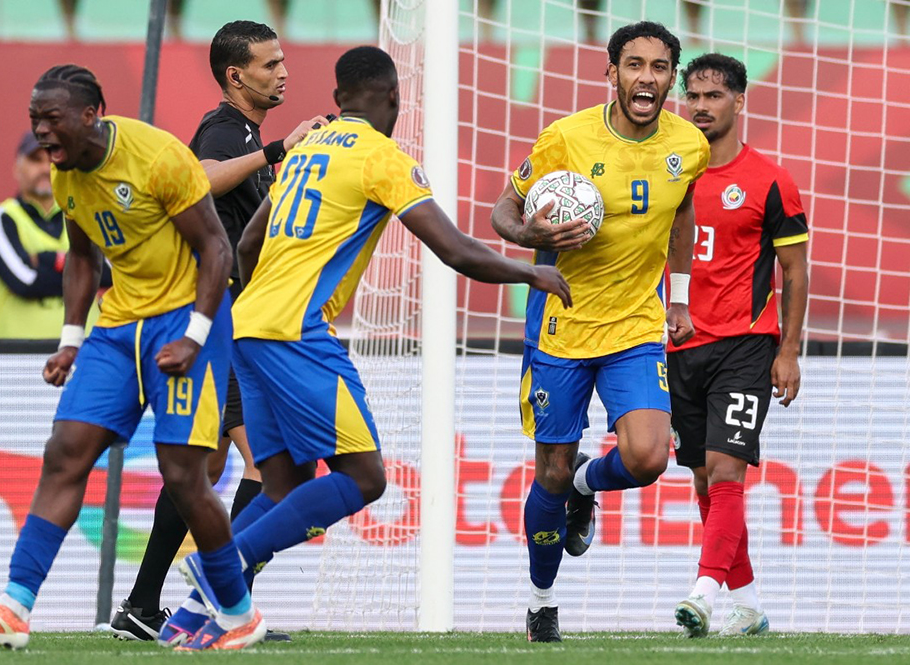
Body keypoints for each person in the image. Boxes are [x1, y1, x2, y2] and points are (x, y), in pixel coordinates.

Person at [174, 44, 570, 629]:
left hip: (249, 324)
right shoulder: (382, 157)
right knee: (365, 478)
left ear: (337, 99)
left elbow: (250, 242)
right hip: (295, 331)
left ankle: (193, 615)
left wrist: (263, 299)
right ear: (394, 97)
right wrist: (530, 269)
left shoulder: (308, 149)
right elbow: (454, 249)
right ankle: (223, 565)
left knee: (282, 483)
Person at [0, 64, 264, 651]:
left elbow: (217, 247)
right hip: (117, 326)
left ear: (92, 115)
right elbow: (82, 258)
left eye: (51, 118)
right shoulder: (66, 175)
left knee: (186, 475)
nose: (41, 131)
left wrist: (194, 334)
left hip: (187, 321)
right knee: (65, 453)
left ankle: (238, 613)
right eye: (35, 119)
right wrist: (69, 338)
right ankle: (14, 608)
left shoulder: (158, 157)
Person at [490, 21, 709, 641]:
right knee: (550, 475)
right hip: (560, 326)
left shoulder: (687, 145)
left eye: (660, 67)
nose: (647, 78)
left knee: (647, 458)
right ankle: (540, 602)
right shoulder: (565, 138)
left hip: (636, 324)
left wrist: (681, 298)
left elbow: (682, 215)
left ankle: (590, 483)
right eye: (634, 65)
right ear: (610, 72)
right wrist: (531, 237)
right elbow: (503, 210)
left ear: (672, 77)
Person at [111, 20, 326, 645]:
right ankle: (223, 606)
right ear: (236, 76)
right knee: (268, 466)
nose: (283, 72)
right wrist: (278, 151)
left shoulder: (248, 135)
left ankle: (142, 606)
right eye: (269, 64)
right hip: (217, 320)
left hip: (232, 321)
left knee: (201, 467)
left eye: (283, 60)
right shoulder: (226, 131)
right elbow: (199, 179)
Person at [670, 53, 809, 638]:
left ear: (739, 101)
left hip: (747, 345)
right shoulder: (670, 175)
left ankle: (702, 593)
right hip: (680, 348)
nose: (702, 106)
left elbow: (795, 273)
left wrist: (789, 350)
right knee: (704, 479)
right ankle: (747, 602)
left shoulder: (771, 180)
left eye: (714, 96)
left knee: (728, 469)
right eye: (694, 96)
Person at [0, 131, 109, 338]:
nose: (44, 168)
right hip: (12, 356)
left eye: (52, 160)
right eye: (35, 160)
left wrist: (46, 259)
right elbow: (25, 282)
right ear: (16, 168)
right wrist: (84, 270)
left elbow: (112, 272)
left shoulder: (87, 214)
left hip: (83, 351)